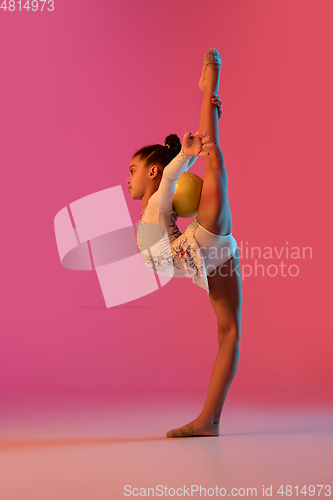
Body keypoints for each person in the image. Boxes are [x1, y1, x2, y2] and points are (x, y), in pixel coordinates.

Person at [127, 48, 243, 438]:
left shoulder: (157, 202)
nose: (128, 178)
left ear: (154, 170)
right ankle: (209, 421)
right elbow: (176, 172)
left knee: (213, 159)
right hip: (210, 252)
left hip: (189, 250)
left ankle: (209, 85)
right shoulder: (158, 212)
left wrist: (185, 156)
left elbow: (173, 175)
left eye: (133, 170)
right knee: (229, 331)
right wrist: (190, 154)